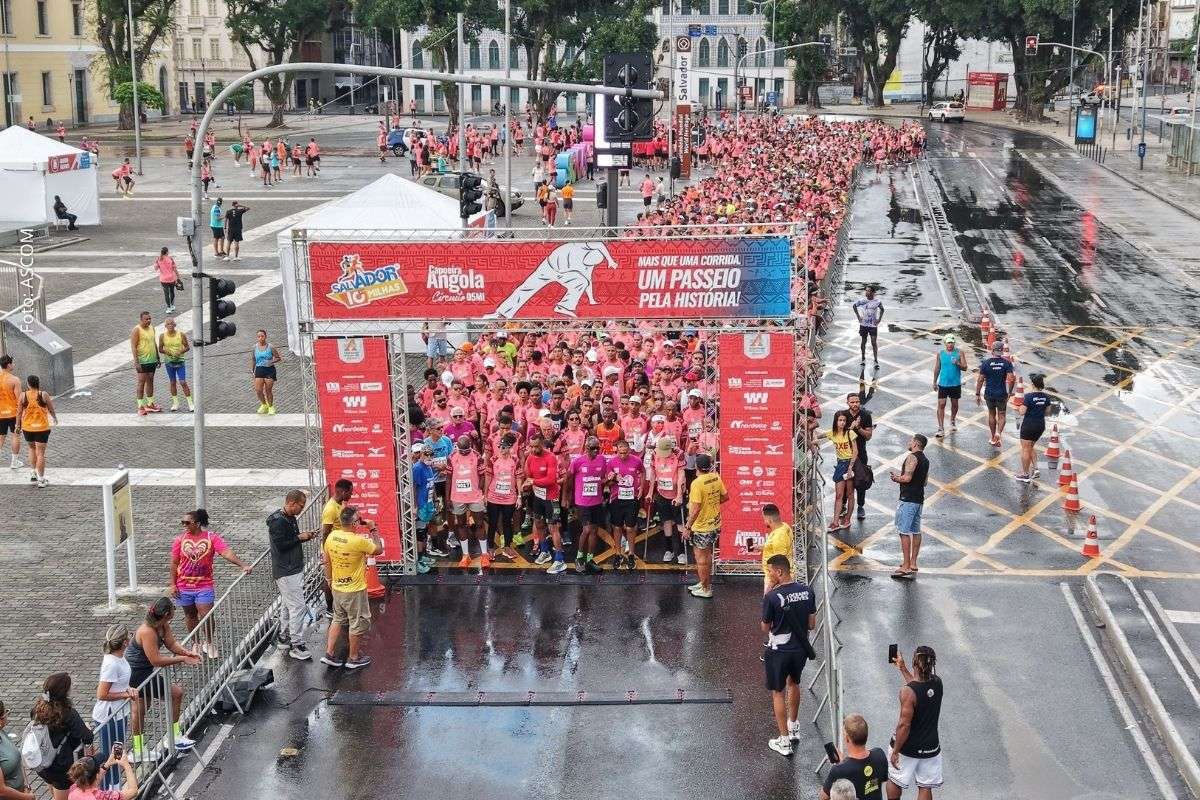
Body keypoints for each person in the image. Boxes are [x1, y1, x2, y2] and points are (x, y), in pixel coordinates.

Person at [171, 508, 252, 659]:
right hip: (184, 586)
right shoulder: (179, 540)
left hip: (204, 585)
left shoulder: (211, 538)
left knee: (206, 615)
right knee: (190, 615)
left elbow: (226, 552)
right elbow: (174, 563)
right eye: (183, 522)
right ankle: (195, 643)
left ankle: (208, 642)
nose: (184, 525)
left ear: (197, 523)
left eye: (187, 522)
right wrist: (172, 584)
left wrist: (242, 565)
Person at [124, 598, 198, 759]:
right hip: (137, 673)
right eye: (173, 610)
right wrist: (182, 659)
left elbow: (171, 644)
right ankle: (170, 738)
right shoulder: (147, 631)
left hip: (145, 671)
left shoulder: (163, 625)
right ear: (166, 614)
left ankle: (141, 749)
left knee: (141, 709)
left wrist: (186, 652)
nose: (174, 612)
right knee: (174, 694)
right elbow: (156, 660)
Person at [761, 554, 816, 757]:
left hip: (779, 651)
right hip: (800, 650)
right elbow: (811, 624)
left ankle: (784, 741)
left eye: (770, 572)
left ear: (779, 571)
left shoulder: (772, 597)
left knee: (778, 692)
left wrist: (768, 595)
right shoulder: (807, 591)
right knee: (794, 683)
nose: (769, 575)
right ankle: (794, 727)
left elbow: (764, 627)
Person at [321, 505, 384, 669]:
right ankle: (353, 658)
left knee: (337, 619)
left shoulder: (332, 536)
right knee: (357, 623)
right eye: (359, 520)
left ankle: (329, 653)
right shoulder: (358, 541)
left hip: (337, 587)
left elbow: (327, 561)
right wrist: (373, 529)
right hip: (354, 590)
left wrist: (329, 580)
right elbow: (378, 549)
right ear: (355, 523)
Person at [268, 489, 318, 661]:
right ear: (291, 503)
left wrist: (303, 537)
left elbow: (289, 540)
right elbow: (281, 545)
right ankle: (296, 644)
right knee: (298, 606)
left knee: (288, 605)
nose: (302, 509)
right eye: (301, 505)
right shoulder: (278, 522)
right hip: (286, 570)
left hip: (291, 568)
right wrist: (300, 538)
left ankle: (284, 636)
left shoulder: (289, 518)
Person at [887, 646, 943, 800]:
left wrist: (896, 751)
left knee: (895, 779)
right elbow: (919, 688)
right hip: (931, 747)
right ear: (932, 664)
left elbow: (904, 725)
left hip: (908, 748)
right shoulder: (937, 683)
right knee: (925, 786)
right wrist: (902, 668)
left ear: (914, 663)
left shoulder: (907, 692)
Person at [30, 672, 95, 800]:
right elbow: (87, 737)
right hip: (61, 767)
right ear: (64, 692)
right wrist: (87, 728)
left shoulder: (37, 709)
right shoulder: (68, 713)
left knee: (53, 789)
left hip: (43, 762)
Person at [91, 626, 138, 784]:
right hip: (109, 715)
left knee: (117, 750)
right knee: (111, 754)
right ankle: (110, 786)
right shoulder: (112, 664)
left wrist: (127, 689)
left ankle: (114, 784)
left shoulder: (119, 657)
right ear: (124, 642)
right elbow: (102, 694)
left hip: (118, 713)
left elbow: (119, 683)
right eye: (129, 635)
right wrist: (126, 694)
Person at [685, 452, 727, 599]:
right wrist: (711, 504)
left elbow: (696, 508)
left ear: (697, 467)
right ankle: (703, 582)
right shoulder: (715, 477)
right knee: (707, 556)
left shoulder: (697, 483)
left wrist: (687, 527)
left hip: (702, 527)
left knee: (701, 559)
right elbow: (725, 497)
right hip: (714, 523)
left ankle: (706, 588)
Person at [523, 432, 566, 574]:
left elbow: (551, 480)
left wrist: (533, 481)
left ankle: (559, 560)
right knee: (539, 524)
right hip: (538, 497)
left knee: (553, 528)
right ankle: (545, 551)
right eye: (531, 446)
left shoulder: (551, 457)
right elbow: (527, 475)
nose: (533, 449)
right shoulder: (530, 457)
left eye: (536, 446)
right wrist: (527, 484)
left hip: (551, 498)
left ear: (542, 444)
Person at [889, 434, 929, 580]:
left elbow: (907, 478)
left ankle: (905, 566)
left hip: (908, 499)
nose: (909, 442)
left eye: (911, 440)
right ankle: (913, 563)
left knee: (903, 532)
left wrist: (896, 478)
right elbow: (925, 482)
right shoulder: (926, 460)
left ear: (916, 443)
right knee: (916, 531)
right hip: (919, 499)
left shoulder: (912, 457)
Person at [821, 713, 889, 800]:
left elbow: (823, 797)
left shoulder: (838, 770)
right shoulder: (879, 755)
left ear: (847, 738)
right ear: (866, 735)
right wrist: (843, 763)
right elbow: (881, 780)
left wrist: (842, 765)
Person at [565, 436, 607, 574]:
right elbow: (568, 479)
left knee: (594, 531)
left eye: (597, 448)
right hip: (583, 502)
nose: (596, 451)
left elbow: (602, 479)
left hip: (597, 501)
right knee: (587, 529)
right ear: (586, 448)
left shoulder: (602, 460)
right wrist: (567, 497)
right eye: (593, 448)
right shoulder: (578, 462)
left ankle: (589, 559)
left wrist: (609, 481)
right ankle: (579, 558)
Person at [448, 435, 488, 568]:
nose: (464, 452)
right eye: (462, 450)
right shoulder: (451, 457)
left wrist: (479, 490)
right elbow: (448, 478)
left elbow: (482, 476)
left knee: (480, 524)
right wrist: (448, 498)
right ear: (457, 447)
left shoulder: (477, 456)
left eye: (467, 450)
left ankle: (484, 554)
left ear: (470, 446)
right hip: (457, 497)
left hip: (474, 497)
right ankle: (465, 555)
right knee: (461, 525)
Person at [604, 437, 644, 570]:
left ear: (629, 450)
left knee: (630, 528)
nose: (622, 455)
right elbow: (607, 482)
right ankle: (618, 554)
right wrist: (613, 479)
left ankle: (631, 554)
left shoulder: (636, 460)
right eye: (620, 453)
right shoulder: (611, 462)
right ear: (617, 451)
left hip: (632, 498)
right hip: (617, 499)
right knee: (617, 527)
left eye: (625, 452)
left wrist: (641, 489)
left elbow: (643, 472)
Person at [648, 436, 686, 563]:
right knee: (666, 521)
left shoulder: (679, 454)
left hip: (676, 493)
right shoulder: (654, 453)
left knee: (680, 523)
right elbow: (653, 473)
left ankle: (681, 552)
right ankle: (668, 550)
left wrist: (679, 495)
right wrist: (650, 492)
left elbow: (681, 475)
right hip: (662, 493)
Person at [16, 374, 56, 487]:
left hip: (28, 428)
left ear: (28, 384)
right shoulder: (43, 394)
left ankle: (33, 472)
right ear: (38, 383)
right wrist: (54, 418)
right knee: (41, 454)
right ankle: (41, 480)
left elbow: (19, 412)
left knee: (31, 448)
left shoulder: (23, 395)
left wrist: (17, 426)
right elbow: (51, 408)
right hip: (41, 428)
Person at [974, 341, 1015, 447]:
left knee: (991, 414)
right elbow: (1011, 379)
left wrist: (977, 394)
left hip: (989, 393)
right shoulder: (1006, 363)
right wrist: (1010, 392)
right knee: (1002, 414)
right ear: (1002, 350)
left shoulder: (986, 363)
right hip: (1001, 393)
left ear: (992, 350)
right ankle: (998, 433)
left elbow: (980, 379)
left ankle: (993, 437)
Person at [843, 392, 874, 522]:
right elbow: (837, 433)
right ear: (847, 403)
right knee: (844, 481)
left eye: (857, 402)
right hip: (844, 454)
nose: (855, 404)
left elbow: (868, 436)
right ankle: (843, 505)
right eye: (852, 402)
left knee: (861, 480)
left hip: (861, 454)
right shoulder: (842, 415)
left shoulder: (865, 415)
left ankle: (860, 506)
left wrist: (859, 427)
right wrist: (851, 428)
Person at [826, 410, 858, 531]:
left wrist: (850, 467)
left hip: (849, 463)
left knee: (850, 494)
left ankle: (847, 519)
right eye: (840, 420)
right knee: (839, 495)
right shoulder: (832, 433)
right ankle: (835, 522)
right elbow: (819, 436)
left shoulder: (850, 433)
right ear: (836, 421)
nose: (842, 422)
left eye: (844, 420)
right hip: (840, 465)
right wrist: (813, 439)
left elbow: (855, 451)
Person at [1015, 373, 1051, 482]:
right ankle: (1035, 469)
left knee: (1025, 449)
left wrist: (1019, 407)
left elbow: (1022, 412)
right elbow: (1048, 412)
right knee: (1030, 446)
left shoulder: (1029, 397)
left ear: (1032, 384)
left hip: (1029, 425)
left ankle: (1025, 474)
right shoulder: (1046, 397)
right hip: (1040, 425)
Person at [65, 750, 139, 800]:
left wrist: (107, 764)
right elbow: (133, 791)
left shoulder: (73, 789)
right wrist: (126, 765)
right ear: (97, 776)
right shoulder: (102, 797)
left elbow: (90, 778)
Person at [931, 334, 966, 437]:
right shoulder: (940, 353)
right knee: (941, 404)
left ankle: (952, 420)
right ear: (945, 343)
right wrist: (934, 382)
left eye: (951, 343)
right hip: (943, 384)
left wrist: (957, 363)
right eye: (948, 343)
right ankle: (941, 428)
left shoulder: (959, 352)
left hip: (955, 384)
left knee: (954, 404)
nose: (950, 345)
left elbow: (965, 367)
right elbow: (937, 368)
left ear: (954, 343)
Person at [0, 699, 35, 800]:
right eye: (6, 712)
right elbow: (1, 790)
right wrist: (27, 797)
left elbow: (17, 759)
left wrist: (26, 786)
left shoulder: (1, 733)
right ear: (0, 719)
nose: (7, 715)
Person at [158, 318, 193, 412]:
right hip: (169, 363)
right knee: (172, 382)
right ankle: (175, 403)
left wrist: (180, 352)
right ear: (165, 326)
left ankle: (190, 403)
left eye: (171, 324)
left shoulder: (181, 334)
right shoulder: (162, 336)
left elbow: (187, 347)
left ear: (175, 325)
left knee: (183, 382)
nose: (170, 325)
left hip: (180, 362)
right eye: (168, 324)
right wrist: (167, 352)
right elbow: (160, 349)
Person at [130, 311, 161, 415]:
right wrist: (136, 361)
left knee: (150, 381)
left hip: (152, 360)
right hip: (142, 361)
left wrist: (157, 357)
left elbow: (154, 342)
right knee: (141, 382)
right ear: (141, 320)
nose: (148, 321)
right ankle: (140, 406)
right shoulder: (137, 330)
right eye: (146, 319)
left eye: (149, 319)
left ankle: (150, 404)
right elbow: (133, 346)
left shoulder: (152, 328)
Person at [759, 504, 793, 593]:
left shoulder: (778, 537)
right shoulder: (784, 526)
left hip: (775, 578)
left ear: (769, 520)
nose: (764, 522)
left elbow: (780, 565)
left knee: (770, 601)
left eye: (764, 519)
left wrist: (772, 584)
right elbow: (774, 547)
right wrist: (761, 547)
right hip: (776, 575)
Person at [0, 355, 23, 470]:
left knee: (1, 437)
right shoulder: (15, 380)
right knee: (15, 435)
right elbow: (19, 399)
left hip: (0, 413)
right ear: (8, 365)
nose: (13, 365)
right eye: (12, 363)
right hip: (14, 414)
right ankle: (14, 462)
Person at [852, 286, 884, 367]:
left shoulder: (877, 301)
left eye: (868, 291)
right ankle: (863, 358)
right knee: (863, 341)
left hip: (873, 325)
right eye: (866, 291)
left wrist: (879, 319)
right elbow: (854, 306)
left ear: (873, 292)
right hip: (864, 324)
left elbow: (882, 309)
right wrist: (858, 317)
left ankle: (876, 360)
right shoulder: (862, 301)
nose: (866, 292)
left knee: (873, 342)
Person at [252, 329, 281, 415]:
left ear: (265, 337)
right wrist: (253, 370)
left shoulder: (270, 347)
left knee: (268, 390)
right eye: (259, 336)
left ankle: (271, 407)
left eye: (262, 336)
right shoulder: (254, 347)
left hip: (269, 370)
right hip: (259, 369)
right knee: (258, 390)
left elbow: (278, 358)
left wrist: (271, 361)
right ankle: (264, 405)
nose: (261, 338)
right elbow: (253, 359)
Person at [153, 247, 179, 313]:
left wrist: (157, 262)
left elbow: (155, 268)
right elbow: (174, 268)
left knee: (166, 294)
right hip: (171, 278)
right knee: (172, 292)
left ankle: (168, 307)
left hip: (163, 279)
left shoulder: (159, 259)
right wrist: (178, 276)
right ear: (167, 252)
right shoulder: (170, 259)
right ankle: (172, 305)